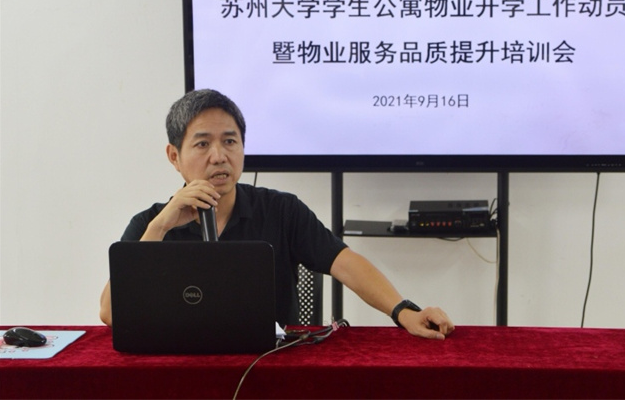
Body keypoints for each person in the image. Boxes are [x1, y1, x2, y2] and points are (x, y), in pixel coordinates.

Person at [99, 89, 454, 340]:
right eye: (203, 143)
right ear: (174, 156)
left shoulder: (280, 210)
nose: (219, 156)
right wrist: (160, 228)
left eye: (230, 141)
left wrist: (404, 311)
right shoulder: (150, 224)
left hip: (269, 367)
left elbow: (345, 263)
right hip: (182, 372)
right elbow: (111, 314)